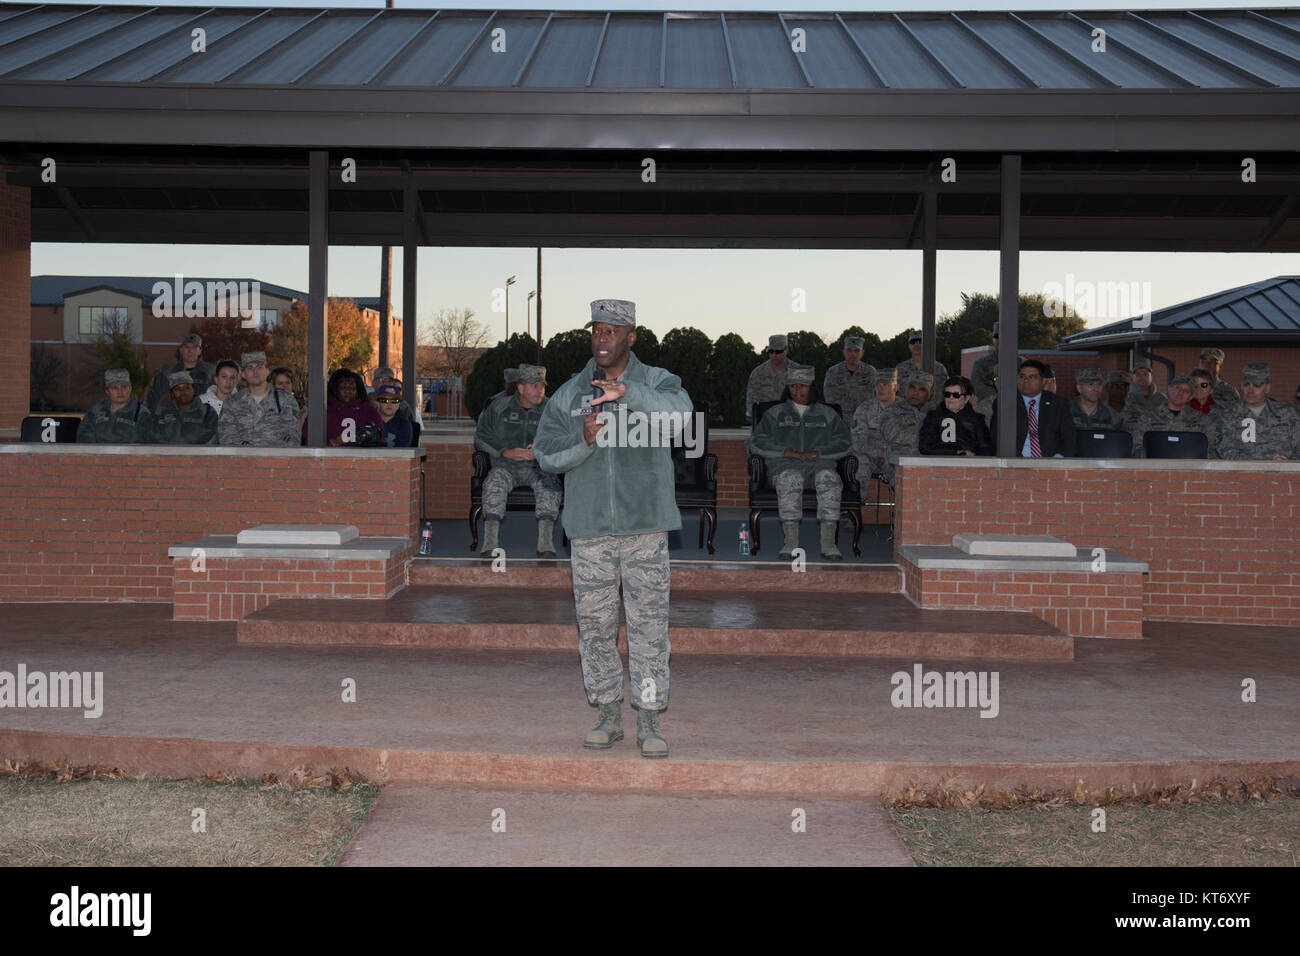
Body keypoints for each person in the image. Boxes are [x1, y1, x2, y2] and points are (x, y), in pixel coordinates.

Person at [533, 299, 692, 759]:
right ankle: (606, 714)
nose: (602, 339)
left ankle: (647, 718)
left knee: (647, 627)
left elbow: (680, 421)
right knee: (596, 627)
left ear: (631, 336)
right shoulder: (569, 393)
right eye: (596, 330)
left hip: (645, 527)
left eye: (611, 331)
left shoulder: (658, 382)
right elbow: (545, 452)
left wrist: (630, 394)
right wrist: (581, 443)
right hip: (590, 530)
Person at [748, 366, 851, 561]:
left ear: (811, 387)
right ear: (787, 388)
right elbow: (757, 441)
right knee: (791, 477)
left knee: (829, 478)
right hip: (784, 466)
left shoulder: (827, 414)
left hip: (819, 465)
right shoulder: (774, 413)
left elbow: (844, 442)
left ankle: (829, 544)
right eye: (793, 386)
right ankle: (790, 542)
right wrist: (784, 452)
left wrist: (817, 453)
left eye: (803, 386)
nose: (798, 391)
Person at [473, 364, 561, 557]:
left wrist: (541, 451)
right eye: (534, 385)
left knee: (549, 486)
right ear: (521, 388)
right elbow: (481, 436)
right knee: (493, 485)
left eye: (542, 386)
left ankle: (545, 544)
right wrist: (504, 451)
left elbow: (563, 439)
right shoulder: (498, 407)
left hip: (538, 468)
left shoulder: (552, 410)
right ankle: (490, 544)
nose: (540, 390)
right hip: (506, 466)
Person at [1216, 363, 1300, 461]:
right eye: (1246, 384)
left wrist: (1287, 463)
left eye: (1257, 385)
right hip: (1244, 474)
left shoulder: (1287, 414)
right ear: (1241, 386)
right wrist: (1265, 462)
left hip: (1284, 474)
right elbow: (1226, 450)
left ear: (1267, 388)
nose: (1250, 390)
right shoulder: (1228, 416)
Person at [994, 359, 1074, 458]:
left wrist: (1056, 461)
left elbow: (1069, 437)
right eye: (1022, 377)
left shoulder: (1058, 404)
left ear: (1043, 381)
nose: (1026, 381)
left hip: (1051, 462)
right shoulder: (1006, 402)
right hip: (1016, 462)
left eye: (1032, 377)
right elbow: (996, 437)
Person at [217, 352, 300, 447]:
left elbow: (292, 437)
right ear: (243, 374)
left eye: (259, 367)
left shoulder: (286, 400)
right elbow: (227, 437)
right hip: (244, 459)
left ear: (267, 371)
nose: (255, 371)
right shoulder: (232, 403)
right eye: (250, 368)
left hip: (276, 460)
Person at [1129, 373, 1216, 458]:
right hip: (1156, 468)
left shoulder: (1202, 420)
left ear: (1191, 397)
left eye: (1186, 391)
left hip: (1190, 469)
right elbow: (1136, 448)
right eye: (1177, 387)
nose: (1180, 392)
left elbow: (1211, 450)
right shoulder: (1148, 417)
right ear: (1169, 389)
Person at [302, 369, 385, 447]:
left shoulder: (367, 410)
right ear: (335, 389)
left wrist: (360, 438)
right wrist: (331, 445)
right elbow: (307, 439)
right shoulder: (322, 410)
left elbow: (378, 436)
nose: (347, 391)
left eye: (352, 388)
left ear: (358, 390)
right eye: (343, 388)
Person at [878, 367, 934, 484]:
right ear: (906, 389)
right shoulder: (892, 410)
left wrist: (914, 430)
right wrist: (926, 434)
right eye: (912, 388)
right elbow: (895, 436)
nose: (915, 393)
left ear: (930, 394)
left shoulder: (935, 414)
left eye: (922, 389)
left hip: (929, 465)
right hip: (898, 466)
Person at [919, 376, 993, 456]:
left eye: (956, 395)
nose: (950, 398)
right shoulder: (933, 417)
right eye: (947, 394)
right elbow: (925, 447)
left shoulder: (977, 420)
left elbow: (987, 450)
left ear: (967, 398)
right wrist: (955, 453)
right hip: (939, 466)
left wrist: (971, 455)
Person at [144, 332, 216, 413]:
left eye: (194, 347)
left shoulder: (211, 372)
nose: (190, 351)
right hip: (175, 420)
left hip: (203, 419)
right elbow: (152, 396)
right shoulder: (168, 372)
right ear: (181, 350)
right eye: (186, 347)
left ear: (200, 351)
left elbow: (224, 395)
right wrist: (150, 417)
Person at [746, 334, 809, 424]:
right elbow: (751, 401)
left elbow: (807, 399)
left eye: (778, 351)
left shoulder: (798, 372)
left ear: (786, 350)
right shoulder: (758, 373)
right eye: (771, 351)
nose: (774, 355)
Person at [77, 368, 152, 444]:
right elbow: (83, 439)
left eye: (124, 387)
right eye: (114, 388)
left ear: (130, 388)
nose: (120, 391)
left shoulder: (142, 414)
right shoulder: (95, 412)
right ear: (107, 391)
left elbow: (145, 447)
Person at [851, 367, 898, 477]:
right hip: (871, 457)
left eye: (885, 385)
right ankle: (859, 495)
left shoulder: (906, 411)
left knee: (902, 468)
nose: (880, 389)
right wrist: (879, 453)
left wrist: (892, 455)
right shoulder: (864, 409)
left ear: (895, 387)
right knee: (860, 463)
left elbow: (910, 441)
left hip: (895, 458)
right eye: (878, 385)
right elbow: (857, 442)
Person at [149, 371, 218, 445]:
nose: (183, 392)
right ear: (172, 393)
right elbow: (153, 438)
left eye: (187, 388)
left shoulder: (207, 413)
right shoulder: (161, 413)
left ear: (194, 390)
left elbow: (212, 440)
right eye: (177, 389)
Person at [822, 335, 874, 426]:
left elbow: (875, 398)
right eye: (849, 350)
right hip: (840, 423)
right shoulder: (833, 372)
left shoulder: (870, 372)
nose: (853, 354)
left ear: (862, 353)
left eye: (857, 351)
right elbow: (829, 398)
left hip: (865, 424)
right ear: (844, 352)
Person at [373, 381, 414, 449]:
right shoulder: (369, 421)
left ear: (398, 405)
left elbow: (402, 453)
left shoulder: (404, 424)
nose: (389, 404)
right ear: (377, 403)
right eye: (384, 400)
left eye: (394, 401)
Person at [1123, 361, 1164, 426]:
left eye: (1145, 374)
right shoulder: (1125, 398)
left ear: (1152, 377)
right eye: (1138, 374)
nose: (1142, 377)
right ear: (1132, 378)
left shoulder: (1162, 399)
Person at [970, 322, 999, 403]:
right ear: (993, 339)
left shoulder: (1022, 364)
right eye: (996, 336)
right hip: (988, 412)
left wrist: (992, 384)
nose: (1000, 339)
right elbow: (978, 389)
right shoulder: (981, 364)